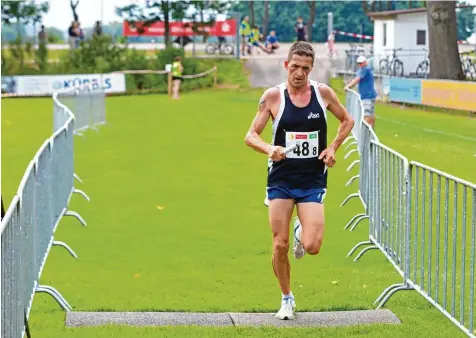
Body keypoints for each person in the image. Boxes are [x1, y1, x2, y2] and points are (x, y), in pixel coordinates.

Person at [244, 41, 354, 320]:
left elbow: (347, 120)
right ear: (286, 66)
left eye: (305, 68)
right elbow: (250, 136)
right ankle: (286, 298)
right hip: (281, 179)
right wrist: (270, 149)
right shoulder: (272, 97)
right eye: (294, 67)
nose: (299, 73)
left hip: (312, 180)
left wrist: (333, 148)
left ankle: (299, 233)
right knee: (278, 244)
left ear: (311, 69)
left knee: (313, 246)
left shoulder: (323, 93)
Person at [344, 55, 377, 128]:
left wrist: (348, 86)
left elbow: (357, 79)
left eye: (361, 63)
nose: (360, 64)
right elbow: (356, 79)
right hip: (367, 95)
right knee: (370, 113)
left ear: (365, 62)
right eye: (359, 63)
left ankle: (366, 131)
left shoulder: (365, 70)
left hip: (367, 96)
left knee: (366, 114)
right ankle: (371, 130)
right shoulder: (362, 70)